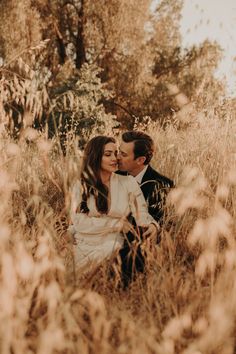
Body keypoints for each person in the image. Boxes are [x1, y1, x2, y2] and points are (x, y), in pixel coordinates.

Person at [69, 135, 159, 273]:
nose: (114, 158)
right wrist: (116, 224)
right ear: (95, 157)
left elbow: (141, 214)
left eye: (116, 153)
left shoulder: (128, 182)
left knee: (120, 252)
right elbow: (79, 223)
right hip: (85, 243)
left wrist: (152, 225)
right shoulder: (80, 185)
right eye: (108, 154)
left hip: (114, 245)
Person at [118, 131, 174, 224]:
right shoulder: (114, 176)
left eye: (123, 154)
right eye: (119, 151)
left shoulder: (163, 186)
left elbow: (165, 225)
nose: (117, 157)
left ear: (140, 160)